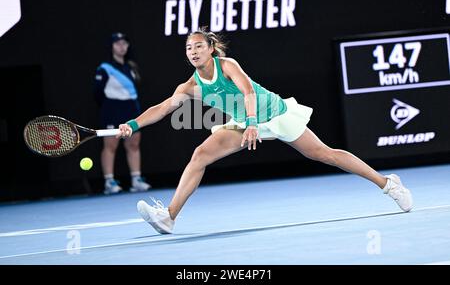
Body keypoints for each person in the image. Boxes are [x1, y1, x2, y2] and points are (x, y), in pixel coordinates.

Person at [116, 27, 413, 234]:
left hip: (272, 114)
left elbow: (248, 92)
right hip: (243, 122)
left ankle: (388, 184)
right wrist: (132, 124)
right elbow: (164, 107)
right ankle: (169, 217)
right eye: (188, 48)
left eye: (198, 46)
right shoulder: (190, 86)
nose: (192, 52)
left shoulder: (227, 64)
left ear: (210, 48)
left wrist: (254, 124)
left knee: (325, 155)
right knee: (200, 155)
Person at [94, 32, 151, 194]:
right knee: (110, 145)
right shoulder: (105, 68)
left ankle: (136, 179)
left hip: (131, 109)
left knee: (133, 144)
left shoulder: (131, 67)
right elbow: (97, 93)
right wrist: (109, 106)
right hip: (112, 109)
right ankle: (109, 182)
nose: (122, 46)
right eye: (118, 43)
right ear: (112, 47)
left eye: (124, 43)